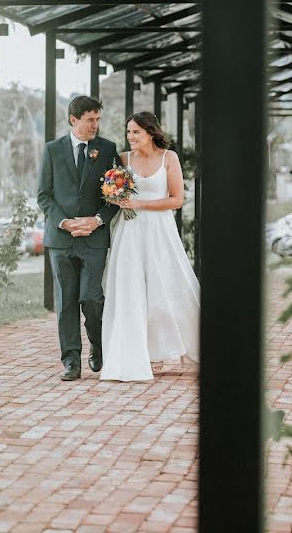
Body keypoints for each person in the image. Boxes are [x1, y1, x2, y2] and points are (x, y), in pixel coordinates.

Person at [100, 111, 200, 382]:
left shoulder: (170, 158)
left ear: (151, 132)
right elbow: (114, 192)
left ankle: (180, 349)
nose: (130, 137)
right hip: (129, 232)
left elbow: (176, 199)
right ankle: (139, 353)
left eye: (136, 132)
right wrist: (117, 199)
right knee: (132, 292)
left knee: (167, 288)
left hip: (160, 232)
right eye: (128, 132)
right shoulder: (124, 159)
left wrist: (140, 204)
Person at [37, 96, 121, 381]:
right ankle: (71, 362)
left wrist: (96, 220)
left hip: (94, 240)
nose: (96, 125)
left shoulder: (107, 150)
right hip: (61, 240)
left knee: (91, 298)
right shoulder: (51, 150)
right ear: (74, 120)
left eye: (98, 119)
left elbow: (117, 195)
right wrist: (64, 222)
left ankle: (98, 345)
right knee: (66, 302)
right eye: (90, 120)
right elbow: (43, 196)